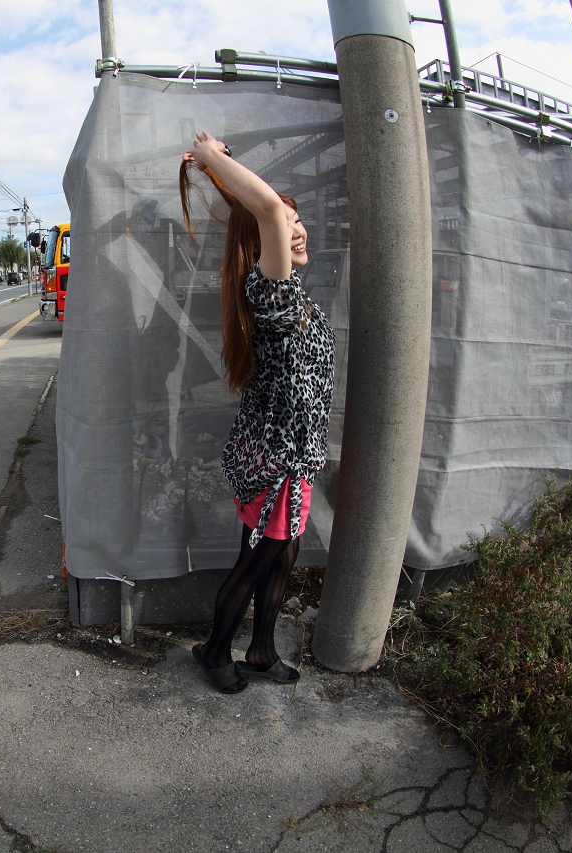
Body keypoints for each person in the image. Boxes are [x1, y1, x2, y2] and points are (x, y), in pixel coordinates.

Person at [179, 132, 336, 694]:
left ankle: (262, 651)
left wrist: (218, 169)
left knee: (283, 556)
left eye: (299, 219)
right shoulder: (271, 293)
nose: (296, 228)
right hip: (275, 462)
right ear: (264, 240)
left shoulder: (294, 297)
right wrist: (212, 159)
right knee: (254, 561)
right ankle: (215, 650)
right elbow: (264, 206)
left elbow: (265, 209)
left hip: (294, 457)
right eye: (284, 223)